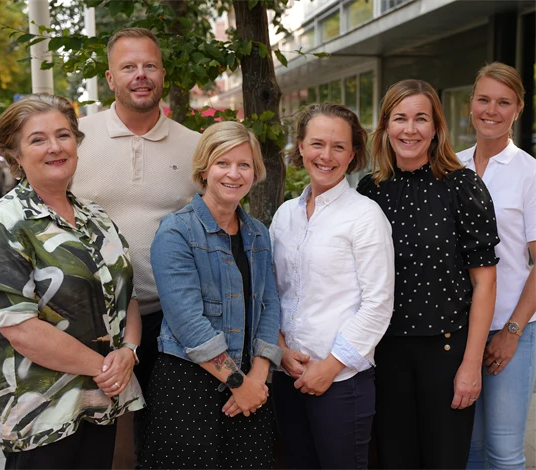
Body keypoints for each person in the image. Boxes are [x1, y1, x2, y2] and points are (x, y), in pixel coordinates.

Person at [357, 79, 499, 469]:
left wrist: (471, 366)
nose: (410, 129)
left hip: (447, 352)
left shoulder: (462, 186)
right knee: (394, 459)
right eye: (400, 118)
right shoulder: (371, 190)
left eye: (421, 119)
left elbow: (484, 282)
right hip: (385, 353)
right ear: (386, 126)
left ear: (436, 127)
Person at [0, 94, 144, 470]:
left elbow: (125, 295)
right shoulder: (6, 223)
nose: (55, 147)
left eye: (63, 135)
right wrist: (105, 368)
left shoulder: (97, 217)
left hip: (100, 405)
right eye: (38, 139)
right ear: (15, 155)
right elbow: (21, 329)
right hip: (40, 415)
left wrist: (128, 351)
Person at [139, 121, 282, 470]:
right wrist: (238, 382)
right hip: (189, 386)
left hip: (251, 385)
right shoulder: (177, 231)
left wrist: (257, 378)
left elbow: (269, 306)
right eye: (223, 163)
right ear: (204, 169)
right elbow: (188, 323)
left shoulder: (257, 233)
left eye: (244, 165)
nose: (234, 174)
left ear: (255, 172)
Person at [71, 27, 201, 394]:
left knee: (166, 437)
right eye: (128, 67)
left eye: (150, 65)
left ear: (163, 74)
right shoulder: (74, 139)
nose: (140, 75)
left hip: (173, 319)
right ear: (110, 78)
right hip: (92, 317)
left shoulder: (195, 147)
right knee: (102, 435)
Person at [270, 103, 395, 470]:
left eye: (338, 146)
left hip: (342, 383)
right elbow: (273, 293)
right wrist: (280, 349)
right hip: (287, 374)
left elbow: (378, 305)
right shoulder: (285, 214)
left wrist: (330, 367)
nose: (326, 156)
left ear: (353, 154)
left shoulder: (365, 216)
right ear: (302, 147)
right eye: (317, 144)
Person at [457, 62, 536, 470]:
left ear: (518, 109)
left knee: (504, 454)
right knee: (467, 448)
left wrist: (512, 331)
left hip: (511, 327)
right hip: (456, 329)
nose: (492, 110)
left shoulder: (530, 173)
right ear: (470, 104)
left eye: (503, 102)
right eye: (484, 99)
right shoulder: (451, 167)